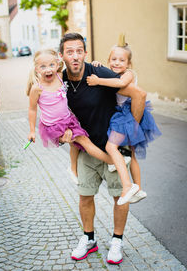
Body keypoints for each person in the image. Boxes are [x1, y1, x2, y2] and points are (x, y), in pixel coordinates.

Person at [59, 33, 146, 264]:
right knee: (85, 196)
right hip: (86, 151)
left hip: (112, 148)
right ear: (62, 56)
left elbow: (138, 94)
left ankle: (117, 240)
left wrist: (131, 130)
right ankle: (89, 239)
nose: (75, 56)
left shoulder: (98, 74)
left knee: (120, 197)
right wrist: (62, 135)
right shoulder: (60, 82)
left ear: (85, 53)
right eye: (70, 51)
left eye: (79, 50)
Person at [87, 35, 161, 205]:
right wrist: (97, 65)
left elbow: (118, 83)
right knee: (132, 154)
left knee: (110, 146)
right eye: (113, 59)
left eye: (121, 60)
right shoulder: (112, 71)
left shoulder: (128, 74)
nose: (117, 63)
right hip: (122, 114)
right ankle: (139, 189)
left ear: (128, 64)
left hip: (126, 114)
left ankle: (128, 185)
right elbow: (110, 76)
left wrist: (98, 80)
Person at [26, 49, 115, 172]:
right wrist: (32, 131)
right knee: (84, 141)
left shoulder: (60, 76)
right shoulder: (37, 88)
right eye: (43, 66)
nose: (48, 69)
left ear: (57, 64)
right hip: (53, 125)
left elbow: (78, 70)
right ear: (37, 69)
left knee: (74, 145)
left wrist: (94, 64)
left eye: (51, 65)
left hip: (68, 119)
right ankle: (112, 161)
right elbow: (32, 109)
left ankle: (73, 169)